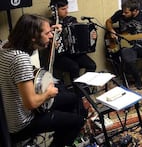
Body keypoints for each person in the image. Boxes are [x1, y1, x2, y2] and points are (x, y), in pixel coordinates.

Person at [0, 14, 85, 146]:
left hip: (9, 115)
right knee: (77, 121)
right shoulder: (20, 59)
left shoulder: (6, 45)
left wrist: (49, 30)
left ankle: (61, 128)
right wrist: (48, 93)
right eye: (47, 33)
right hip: (22, 123)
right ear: (33, 37)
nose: (51, 36)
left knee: (72, 98)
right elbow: (31, 104)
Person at [50, 0, 97, 82]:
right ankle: (78, 93)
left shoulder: (71, 20)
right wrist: (52, 42)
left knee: (91, 65)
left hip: (74, 53)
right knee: (74, 67)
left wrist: (92, 36)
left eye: (67, 8)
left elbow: (82, 33)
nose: (66, 11)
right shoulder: (50, 23)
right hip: (60, 56)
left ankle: (84, 86)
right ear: (55, 11)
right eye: (63, 9)